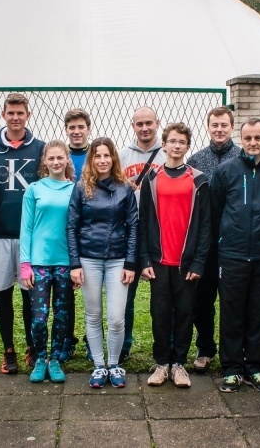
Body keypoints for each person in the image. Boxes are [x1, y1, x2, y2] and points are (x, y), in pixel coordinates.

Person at [211, 118, 260, 393]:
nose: (253, 143)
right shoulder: (225, 171)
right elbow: (215, 210)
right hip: (232, 255)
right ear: (240, 139)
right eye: (248, 138)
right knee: (232, 313)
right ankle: (231, 369)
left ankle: (254, 367)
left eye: (258, 138)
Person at [139, 123, 210, 388]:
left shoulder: (199, 180)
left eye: (182, 142)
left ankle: (179, 364)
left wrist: (199, 261)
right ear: (164, 145)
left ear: (187, 146)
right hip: (159, 261)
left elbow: (204, 225)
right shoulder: (152, 178)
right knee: (159, 314)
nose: (177, 146)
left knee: (184, 313)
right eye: (172, 141)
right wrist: (145, 258)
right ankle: (162, 364)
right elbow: (144, 221)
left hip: (186, 262)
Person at [0, 93, 45, 374]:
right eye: (11, 113)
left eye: (20, 113)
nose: (15, 117)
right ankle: (9, 350)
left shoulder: (40, 148)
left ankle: (32, 346)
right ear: (3, 115)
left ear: (27, 115)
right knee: (2, 292)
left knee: (30, 292)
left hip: (30, 234)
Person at [67, 137, 138, 389]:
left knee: (117, 317)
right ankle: (99, 365)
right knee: (93, 314)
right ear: (91, 160)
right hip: (88, 259)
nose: (102, 160)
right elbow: (72, 226)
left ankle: (114, 363)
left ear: (114, 158)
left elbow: (133, 227)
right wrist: (75, 264)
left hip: (118, 259)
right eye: (97, 156)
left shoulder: (125, 188)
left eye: (106, 155)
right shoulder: (80, 188)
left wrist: (131, 263)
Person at [187, 106, 240, 374]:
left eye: (224, 125)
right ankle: (205, 348)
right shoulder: (196, 160)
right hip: (204, 244)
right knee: (202, 301)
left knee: (232, 301)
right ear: (208, 127)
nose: (219, 129)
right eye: (214, 125)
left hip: (234, 243)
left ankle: (234, 352)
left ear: (232, 127)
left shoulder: (242, 157)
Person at [20, 140, 75, 383]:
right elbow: (26, 228)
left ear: (66, 160)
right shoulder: (34, 189)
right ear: (45, 161)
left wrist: (77, 265)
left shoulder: (75, 189)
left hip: (65, 262)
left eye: (59, 158)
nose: (55, 162)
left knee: (62, 315)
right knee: (40, 317)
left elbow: (78, 229)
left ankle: (55, 359)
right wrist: (25, 264)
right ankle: (40, 357)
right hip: (39, 263)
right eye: (51, 158)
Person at [118, 106, 166, 364]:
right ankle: (123, 344)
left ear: (157, 123)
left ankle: (166, 346)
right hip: (128, 234)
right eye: (140, 124)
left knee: (162, 295)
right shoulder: (123, 156)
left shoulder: (168, 153)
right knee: (126, 294)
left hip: (159, 234)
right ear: (133, 126)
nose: (145, 128)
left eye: (149, 122)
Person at [59, 108, 92, 362]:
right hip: (66, 231)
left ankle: (93, 343)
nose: (76, 131)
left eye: (81, 127)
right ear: (67, 130)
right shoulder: (61, 157)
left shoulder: (97, 155)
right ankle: (67, 340)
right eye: (72, 128)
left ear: (88, 129)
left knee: (93, 291)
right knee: (67, 290)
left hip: (92, 231)